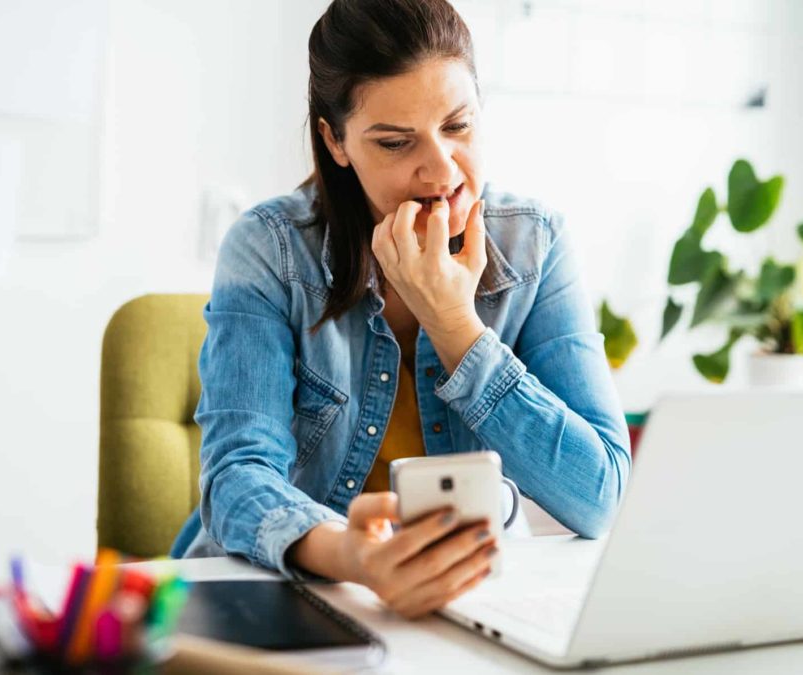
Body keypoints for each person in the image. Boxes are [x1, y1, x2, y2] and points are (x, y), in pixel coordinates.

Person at [171, 0, 630, 619]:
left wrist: (456, 328)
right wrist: (354, 558)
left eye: (459, 126)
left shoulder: (536, 243)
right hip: (298, 593)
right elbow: (237, 478)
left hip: (474, 603)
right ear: (335, 140)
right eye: (394, 142)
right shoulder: (271, 250)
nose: (442, 170)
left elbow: (600, 498)